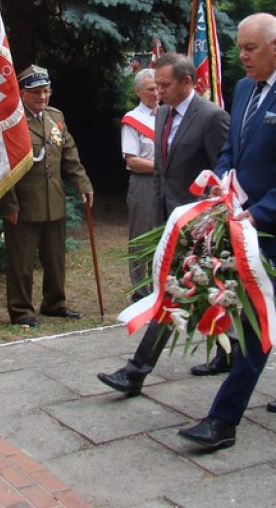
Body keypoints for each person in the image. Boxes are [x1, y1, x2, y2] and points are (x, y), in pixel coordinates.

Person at [177, 13, 276, 452]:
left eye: (250, 48)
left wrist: (260, 214)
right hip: (245, 217)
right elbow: (233, 149)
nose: (241, 56)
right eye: (240, 48)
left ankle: (223, 420)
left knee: (255, 314)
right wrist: (224, 183)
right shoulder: (245, 88)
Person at [96, 53, 230, 394]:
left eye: (166, 85)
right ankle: (233, 350)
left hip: (199, 223)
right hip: (169, 219)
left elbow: (225, 174)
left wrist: (214, 221)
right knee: (209, 290)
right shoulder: (165, 114)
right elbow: (161, 169)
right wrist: (158, 214)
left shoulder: (211, 117)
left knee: (174, 293)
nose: (160, 92)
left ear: (187, 82)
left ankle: (135, 372)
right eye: (156, 86)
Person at [0, 65, 94, 328]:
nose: (42, 97)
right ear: (22, 92)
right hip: (24, 204)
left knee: (55, 258)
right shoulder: (11, 120)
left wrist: (83, 184)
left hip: (53, 200)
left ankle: (54, 302)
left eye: (46, 91)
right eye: (36, 92)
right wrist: (8, 203)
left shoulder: (55, 116)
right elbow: (3, 165)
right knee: (22, 261)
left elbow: (69, 153)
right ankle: (20, 309)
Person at [121, 67, 160, 300]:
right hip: (143, 184)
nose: (156, 94)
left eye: (158, 88)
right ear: (138, 91)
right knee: (141, 237)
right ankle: (140, 291)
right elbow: (133, 161)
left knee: (164, 235)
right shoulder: (132, 120)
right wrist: (164, 166)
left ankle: (160, 286)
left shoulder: (169, 115)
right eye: (150, 90)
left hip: (167, 184)